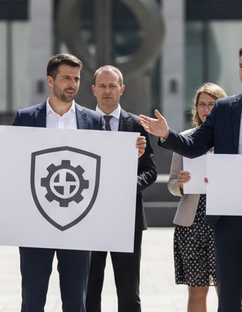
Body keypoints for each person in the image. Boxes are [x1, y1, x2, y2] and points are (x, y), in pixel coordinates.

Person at [140, 43, 242, 312]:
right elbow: (195, 146)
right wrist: (167, 135)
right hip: (229, 215)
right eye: (241, 66)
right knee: (228, 300)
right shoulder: (224, 108)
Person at [0, 54, 146, 312]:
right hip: (35, 226)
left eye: (77, 78)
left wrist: (128, 158)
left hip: (78, 228)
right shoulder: (26, 118)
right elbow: (10, 167)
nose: (72, 84)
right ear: (50, 80)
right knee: (32, 301)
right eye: (66, 78)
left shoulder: (92, 122)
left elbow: (104, 170)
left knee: (76, 303)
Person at [167, 83, 242, 312]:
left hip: (227, 220)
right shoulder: (184, 139)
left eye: (212, 104)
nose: (206, 109)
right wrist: (180, 183)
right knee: (196, 289)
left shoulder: (236, 140)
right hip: (192, 222)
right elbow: (171, 183)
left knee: (226, 289)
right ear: (195, 108)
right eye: (202, 104)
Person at [85, 65, 157, 312]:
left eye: (112, 86)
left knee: (128, 292)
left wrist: (127, 185)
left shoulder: (136, 125)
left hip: (126, 220)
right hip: (88, 219)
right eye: (102, 86)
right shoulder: (80, 124)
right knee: (89, 291)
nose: (107, 91)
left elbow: (150, 171)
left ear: (121, 89)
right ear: (93, 90)